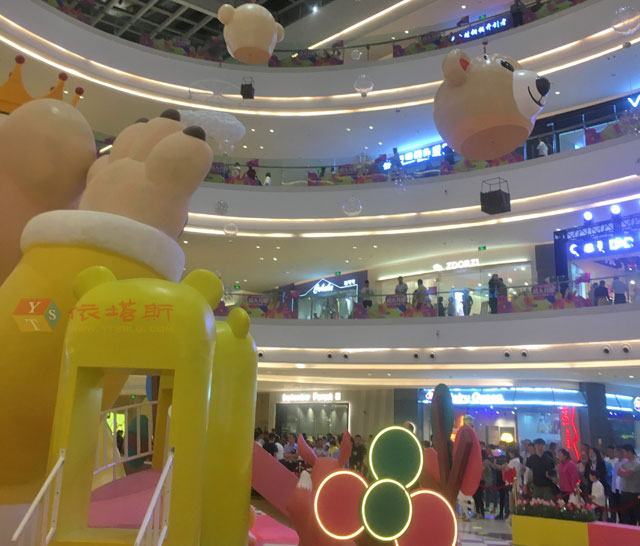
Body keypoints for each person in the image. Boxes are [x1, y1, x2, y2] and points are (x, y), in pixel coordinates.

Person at [617, 444, 640, 525]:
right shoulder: (624, 463)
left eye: (624, 452)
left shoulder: (637, 464)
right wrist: (624, 471)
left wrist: (624, 471)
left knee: (635, 516)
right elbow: (619, 472)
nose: (623, 454)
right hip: (624, 492)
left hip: (634, 493)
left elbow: (627, 474)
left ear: (629, 452)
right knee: (625, 516)